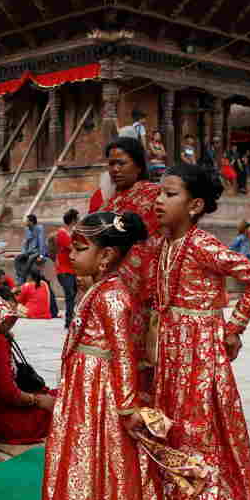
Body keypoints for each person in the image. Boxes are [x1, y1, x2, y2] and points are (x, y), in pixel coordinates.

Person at [151, 164, 250, 500]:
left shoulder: (202, 244)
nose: (158, 201)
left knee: (202, 446)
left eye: (169, 194)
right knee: (177, 442)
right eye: (160, 194)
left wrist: (233, 329)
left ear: (196, 205)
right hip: (171, 355)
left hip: (200, 357)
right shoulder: (167, 244)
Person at [41, 211, 171, 500]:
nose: (72, 254)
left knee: (107, 467)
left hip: (101, 392)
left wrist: (128, 407)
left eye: (80, 248)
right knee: (84, 462)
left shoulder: (113, 297)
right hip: (83, 388)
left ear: (106, 256)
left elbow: (124, 355)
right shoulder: (95, 290)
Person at [89, 137, 162, 370]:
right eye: (111, 164)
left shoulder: (154, 196)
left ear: (139, 165)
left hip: (140, 291)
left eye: (122, 163)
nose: (115, 169)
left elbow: (153, 244)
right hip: (105, 289)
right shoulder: (108, 202)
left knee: (135, 360)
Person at [0, 328, 54, 444]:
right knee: (64, 409)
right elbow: (8, 393)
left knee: (63, 397)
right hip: (3, 421)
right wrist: (37, 400)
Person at [54, 209, 78, 328]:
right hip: (63, 269)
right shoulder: (62, 233)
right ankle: (69, 320)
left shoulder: (74, 232)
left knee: (73, 295)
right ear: (73, 220)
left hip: (72, 269)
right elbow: (72, 246)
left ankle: (71, 317)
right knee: (70, 293)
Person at [15, 213, 47, 284]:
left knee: (30, 258)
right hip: (30, 251)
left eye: (27, 221)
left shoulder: (39, 229)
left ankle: (22, 277)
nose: (26, 223)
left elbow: (42, 243)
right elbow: (25, 243)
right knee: (18, 258)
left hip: (37, 251)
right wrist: (24, 253)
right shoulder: (27, 230)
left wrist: (41, 256)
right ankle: (19, 275)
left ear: (31, 222)